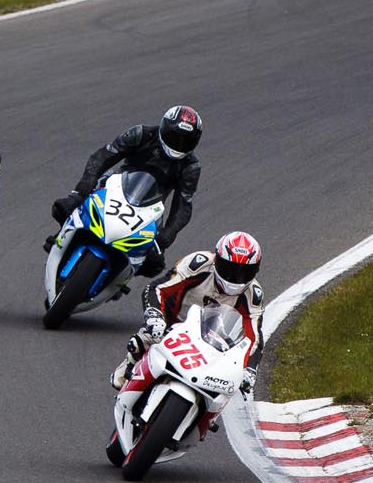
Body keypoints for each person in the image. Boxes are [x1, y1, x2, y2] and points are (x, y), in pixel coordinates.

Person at [49, 104, 202, 276]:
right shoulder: (141, 134)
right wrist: (85, 184)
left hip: (151, 208)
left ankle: (120, 277)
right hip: (116, 183)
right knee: (66, 206)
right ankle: (61, 236)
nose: (179, 145)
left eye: (185, 142)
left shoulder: (191, 166)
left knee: (155, 263)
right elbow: (104, 155)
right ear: (164, 127)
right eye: (174, 137)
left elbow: (183, 203)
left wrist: (170, 232)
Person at [110, 231, 265, 391]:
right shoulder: (199, 264)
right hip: (171, 325)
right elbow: (157, 288)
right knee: (134, 353)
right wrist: (154, 314)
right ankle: (131, 364)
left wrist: (250, 368)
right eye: (229, 268)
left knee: (231, 384)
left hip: (215, 343)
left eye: (244, 272)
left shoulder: (253, 293)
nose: (235, 277)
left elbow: (254, 337)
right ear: (216, 260)